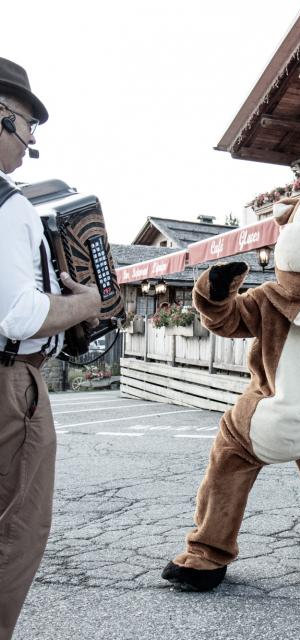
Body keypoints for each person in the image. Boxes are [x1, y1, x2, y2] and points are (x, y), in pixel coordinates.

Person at [0, 57, 101, 640]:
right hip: (10, 379)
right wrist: (86, 306)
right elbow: (18, 314)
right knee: (17, 526)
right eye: (25, 121)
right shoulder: (9, 206)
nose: (32, 138)